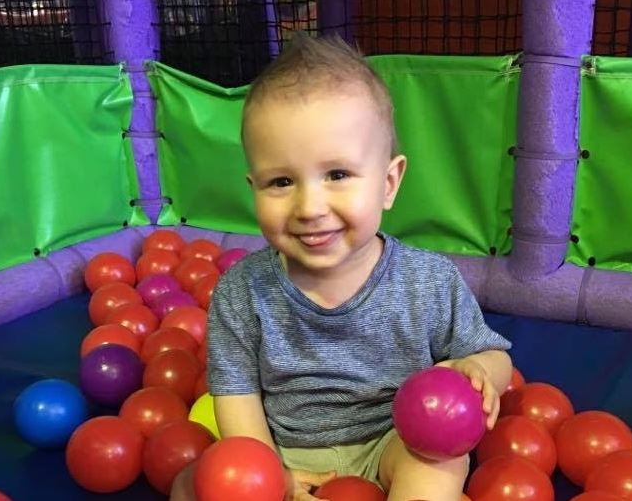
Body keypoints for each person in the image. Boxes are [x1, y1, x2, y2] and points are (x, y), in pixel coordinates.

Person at [171, 33, 512, 501]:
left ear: (389, 183)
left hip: (394, 443)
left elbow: (494, 356)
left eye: (337, 175)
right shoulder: (241, 292)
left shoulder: (428, 281)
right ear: (252, 188)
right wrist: (274, 478)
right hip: (286, 453)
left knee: (440, 461)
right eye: (281, 181)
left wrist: (477, 370)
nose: (310, 206)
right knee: (198, 483)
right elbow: (238, 398)